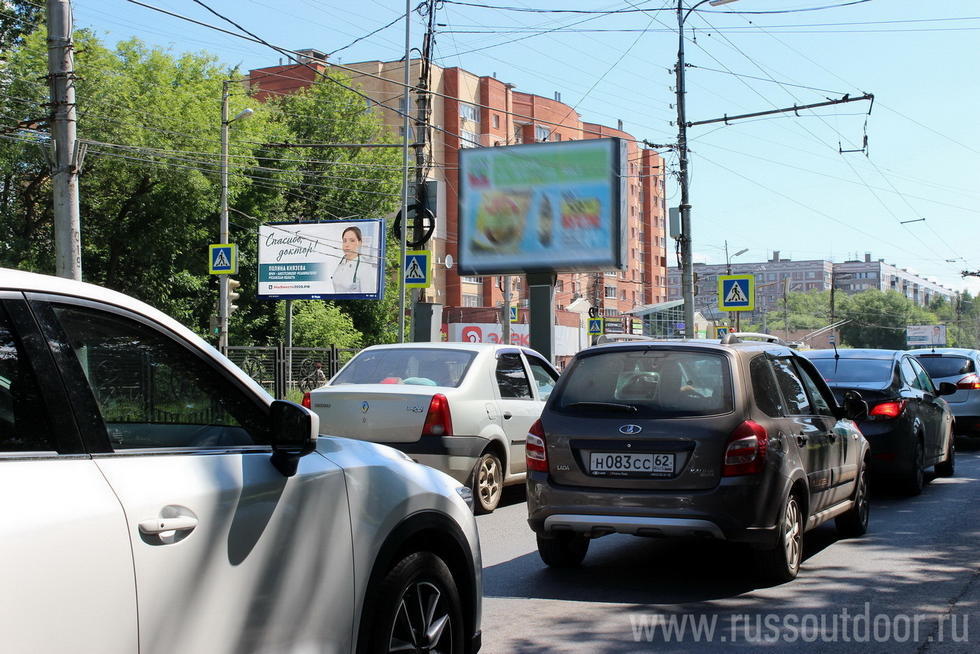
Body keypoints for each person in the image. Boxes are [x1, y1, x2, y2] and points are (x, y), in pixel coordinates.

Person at [331, 226, 376, 293]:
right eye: (344, 241)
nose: (347, 245)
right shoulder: (340, 263)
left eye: (352, 241)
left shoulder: (365, 267)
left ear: (360, 243)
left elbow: (369, 296)